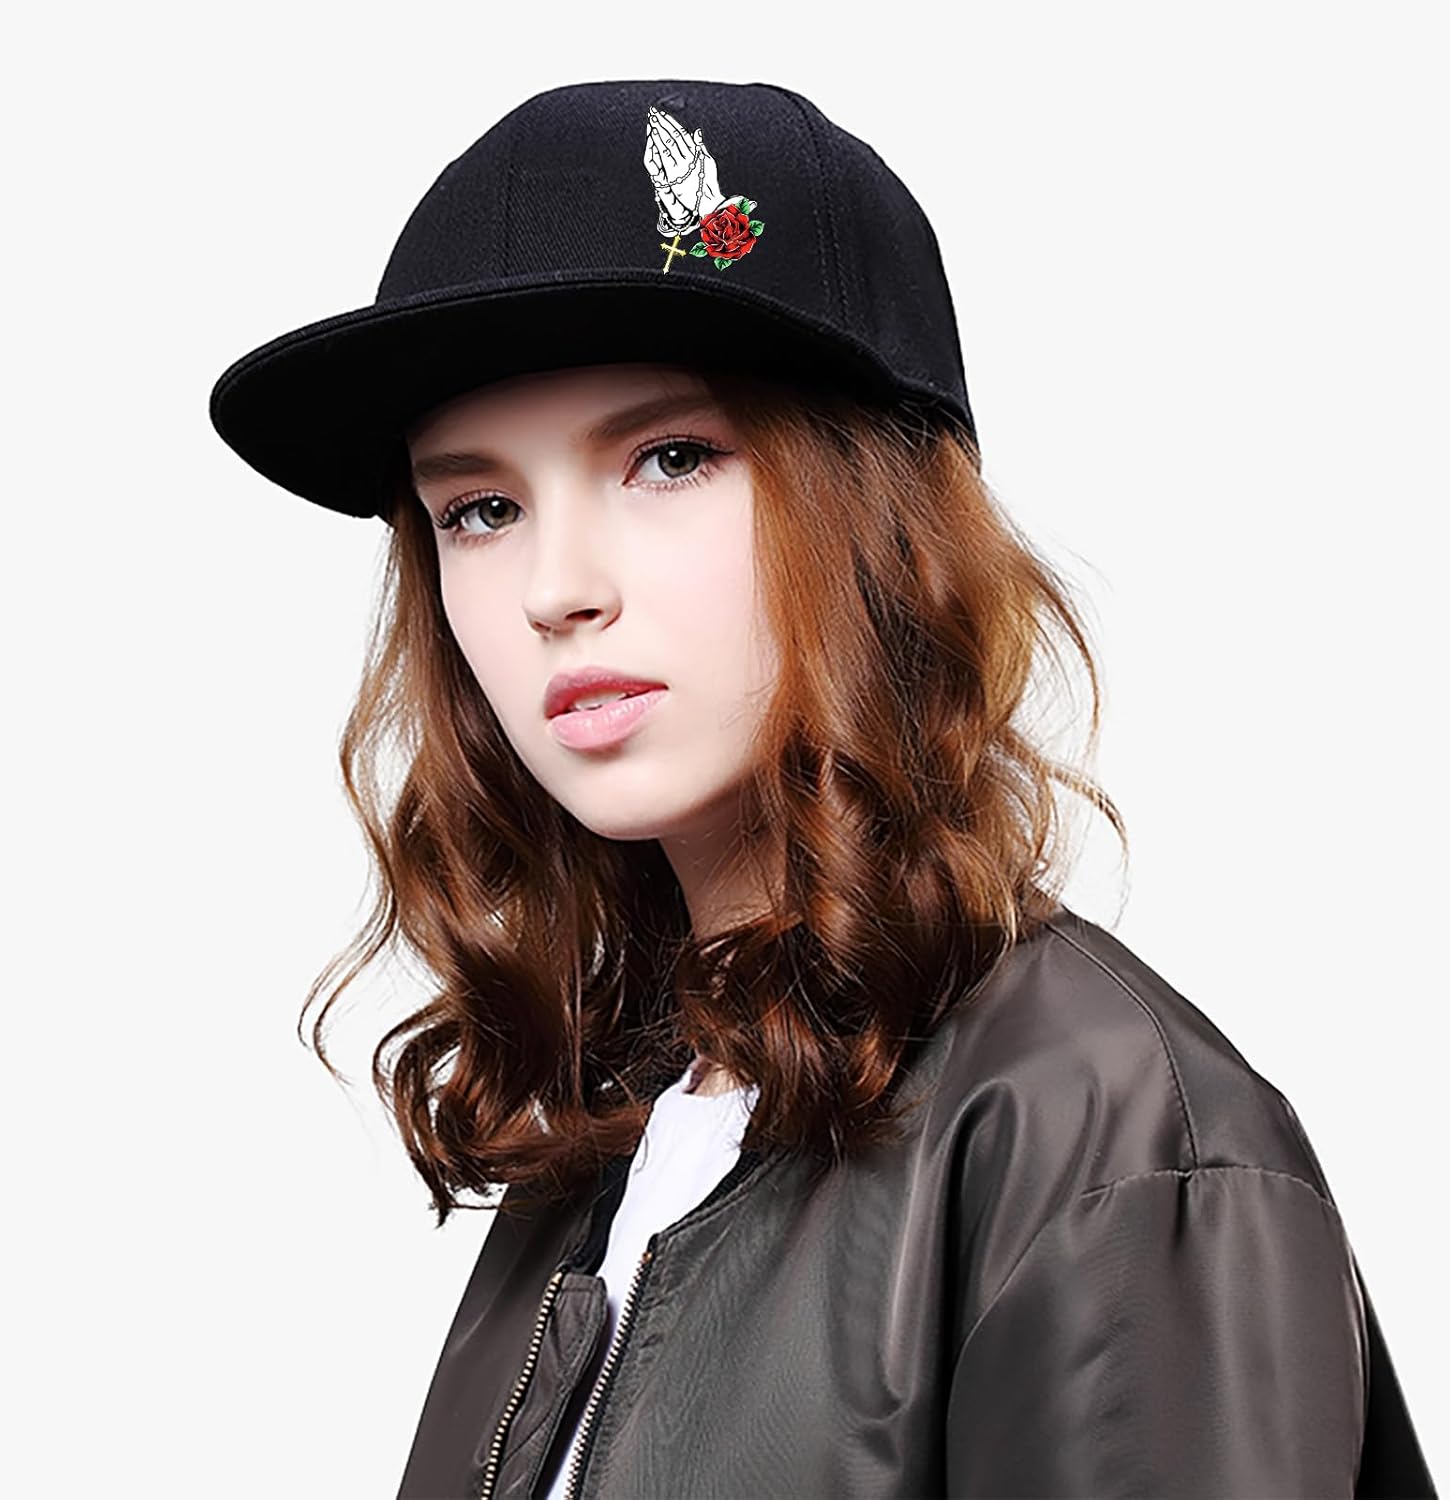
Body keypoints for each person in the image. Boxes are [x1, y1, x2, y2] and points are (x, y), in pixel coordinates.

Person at [208, 79, 1436, 1500]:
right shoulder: (613, 1139)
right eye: (479, 508)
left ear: (876, 515)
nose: (554, 588)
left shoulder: (1101, 1136)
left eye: (669, 459)